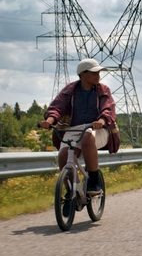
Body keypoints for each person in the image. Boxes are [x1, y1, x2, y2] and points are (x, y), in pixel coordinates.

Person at [39, 58, 118, 195]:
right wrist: (49, 121)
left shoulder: (103, 90)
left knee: (88, 137)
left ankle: (94, 181)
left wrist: (102, 121)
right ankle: (72, 191)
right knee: (63, 156)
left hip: (98, 129)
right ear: (82, 75)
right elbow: (57, 107)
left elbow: (108, 108)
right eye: (94, 73)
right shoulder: (70, 90)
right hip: (74, 129)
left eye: (98, 73)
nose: (98, 76)